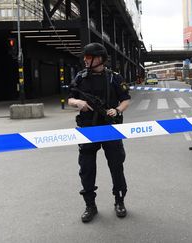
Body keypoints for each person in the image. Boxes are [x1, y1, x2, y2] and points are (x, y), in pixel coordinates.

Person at [68, 42, 130, 223]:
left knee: (116, 166)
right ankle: (90, 206)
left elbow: (126, 99)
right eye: (85, 57)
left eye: (89, 57)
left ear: (100, 59)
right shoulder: (81, 77)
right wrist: (77, 103)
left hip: (111, 129)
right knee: (86, 169)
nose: (85, 60)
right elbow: (70, 97)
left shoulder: (114, 78)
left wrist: (117, 110)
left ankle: (119, 201)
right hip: (88, 130)